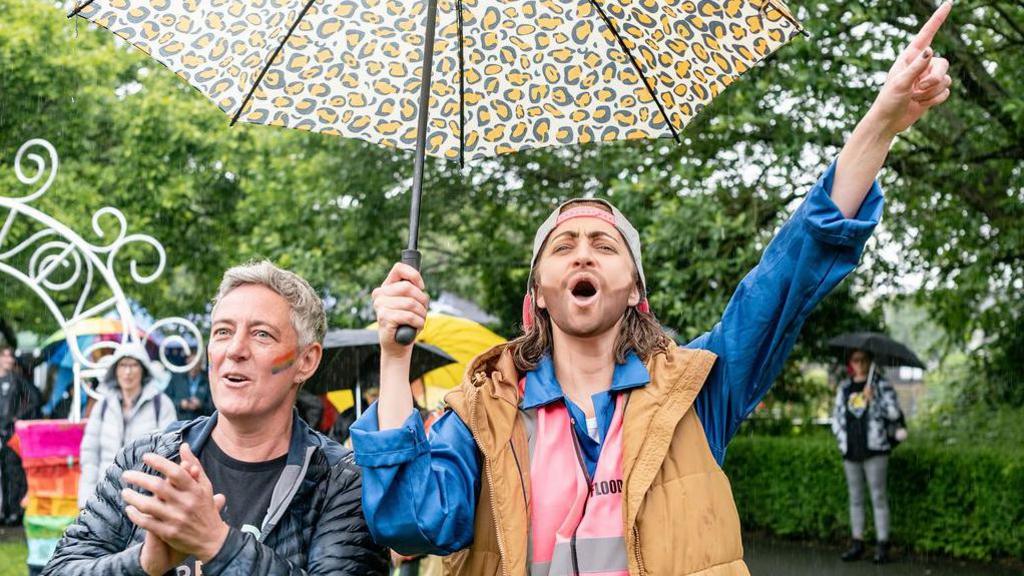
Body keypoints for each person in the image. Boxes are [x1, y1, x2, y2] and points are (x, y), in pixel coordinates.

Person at [351, 5, 954, 575]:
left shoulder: (697, 391)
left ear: (636, 290)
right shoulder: (480, 412)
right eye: (562, 247)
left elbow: (788, 274)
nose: (583, 251)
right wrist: (396, 356)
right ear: (536, 293)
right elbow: (410, 525)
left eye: (604, 246)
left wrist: (880, 123)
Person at [44, 261, 388, 576]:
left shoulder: (341, 482)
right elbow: (60, 569)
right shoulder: (147, 461)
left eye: (261, 334)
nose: (235, 350)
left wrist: (219, 546)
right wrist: (142, 563)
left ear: (306, 361)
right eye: (223, 331)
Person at [77, 343, 177, 508]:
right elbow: (90, 456)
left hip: (146, 499)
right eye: (123, 365)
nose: (128, 372)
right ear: (115, 370)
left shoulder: (161, 405)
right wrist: (86, 499)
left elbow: (170, 455)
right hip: (106, 499)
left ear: (143, 369)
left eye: (133, 365)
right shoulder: (102, 407)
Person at [831, 348, 905, 564]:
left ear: (870, 361)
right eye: (856, 360)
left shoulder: (881, 385)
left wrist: (875, 401)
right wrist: (841, 440)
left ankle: (882, 545)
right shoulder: (845, 388)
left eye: (864, 360)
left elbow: (894, 413)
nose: (860, 364)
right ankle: (857, 543)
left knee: (878, 497)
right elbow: (836, 417)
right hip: (851, 450)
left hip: (876, 450)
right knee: (855, 498)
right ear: (851, 363)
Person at [0, 345, 42, 525]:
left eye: (11, 357)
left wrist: (17, 419)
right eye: (6, 356)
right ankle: (4, 511)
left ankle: (15, 511)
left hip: (9, 435)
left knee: (12, 472)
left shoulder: (16, 380)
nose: (10, 360)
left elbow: (35, 399)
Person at [165, 350, 214, 421]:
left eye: (196, 364)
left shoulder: (208, 379)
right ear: (187, 362)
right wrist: (180, 404)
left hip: (202, 424)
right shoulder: (177, 379)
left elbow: (215, 407)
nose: (193, 367)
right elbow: (166, 400)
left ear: (200, 363)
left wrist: (201, 405)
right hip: (179, 423)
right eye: (191, 363)